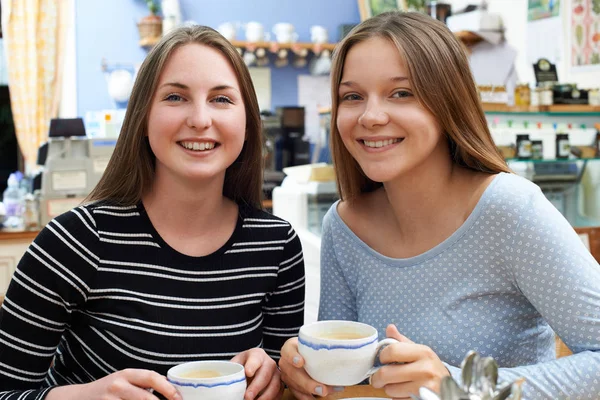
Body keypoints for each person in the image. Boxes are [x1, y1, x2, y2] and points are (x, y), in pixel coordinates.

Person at [279, 11, 600, 400]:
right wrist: (304, 372)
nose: (371, 116)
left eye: (401, 93)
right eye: (353, 96)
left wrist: (457, 386)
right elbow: (345, 384)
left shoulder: (509, 209)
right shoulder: (344, 226)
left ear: (447, 101)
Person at [0, 25, 305, 400]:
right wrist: (85, 396)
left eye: (221, 100)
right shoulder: (75, 242)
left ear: (247, 122)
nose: (199, 119)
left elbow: (287, 384)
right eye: (176, 97)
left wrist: (274, 375)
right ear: (142, 117)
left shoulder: (277, 246)